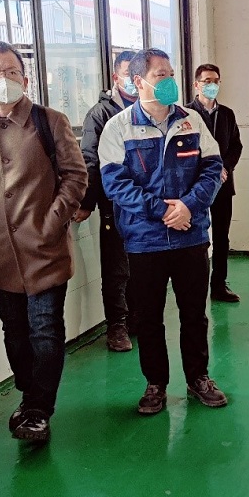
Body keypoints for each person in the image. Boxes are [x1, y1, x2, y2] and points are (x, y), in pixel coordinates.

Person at [0, 40, 88, 443]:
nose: (4, 78)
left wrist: (51, 223)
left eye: (12, 71)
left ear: (25, 80)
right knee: (14, 333)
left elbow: (75, 176)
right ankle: (30, 395)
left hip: (46, 250)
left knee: (45, 330)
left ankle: (38, 410)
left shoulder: (50, 121)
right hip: (0, 252)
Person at [98, 48, 229, 415]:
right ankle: (155, 384)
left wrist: (189, 206)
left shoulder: (192, 121)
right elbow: (116, 184)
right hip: (145, 241)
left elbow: (213, 168)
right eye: (161, 75)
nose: (170, 80)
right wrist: (165, 211)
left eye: (171, 73)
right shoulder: (118, 127)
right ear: (138, 81)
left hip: (190, 235)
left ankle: (198, 377)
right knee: (149, 318)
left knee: (194, 314)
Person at [75, 50, 139, 352]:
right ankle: (117, 325)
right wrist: (87, 201)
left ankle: (138, 319)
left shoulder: (148, 109)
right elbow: (90, 159)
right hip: (114, 204)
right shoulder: (100, 114)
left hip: (145, 203)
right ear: (116, 76)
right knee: (116, 268)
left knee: (141, 265)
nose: (133, 80)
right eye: (128, 74)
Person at [187, 63, 244, 303]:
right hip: (195, 186)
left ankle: (219, 285)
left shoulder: (227, 114)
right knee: (196, 237)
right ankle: (194, 286)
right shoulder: (186, 114)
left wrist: (224, 167)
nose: (212, 85)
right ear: (196, 84)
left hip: (222, 185)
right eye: (207, 81)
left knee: (222, 236)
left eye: (216, 81)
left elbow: (236, 146)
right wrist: (207, 171)